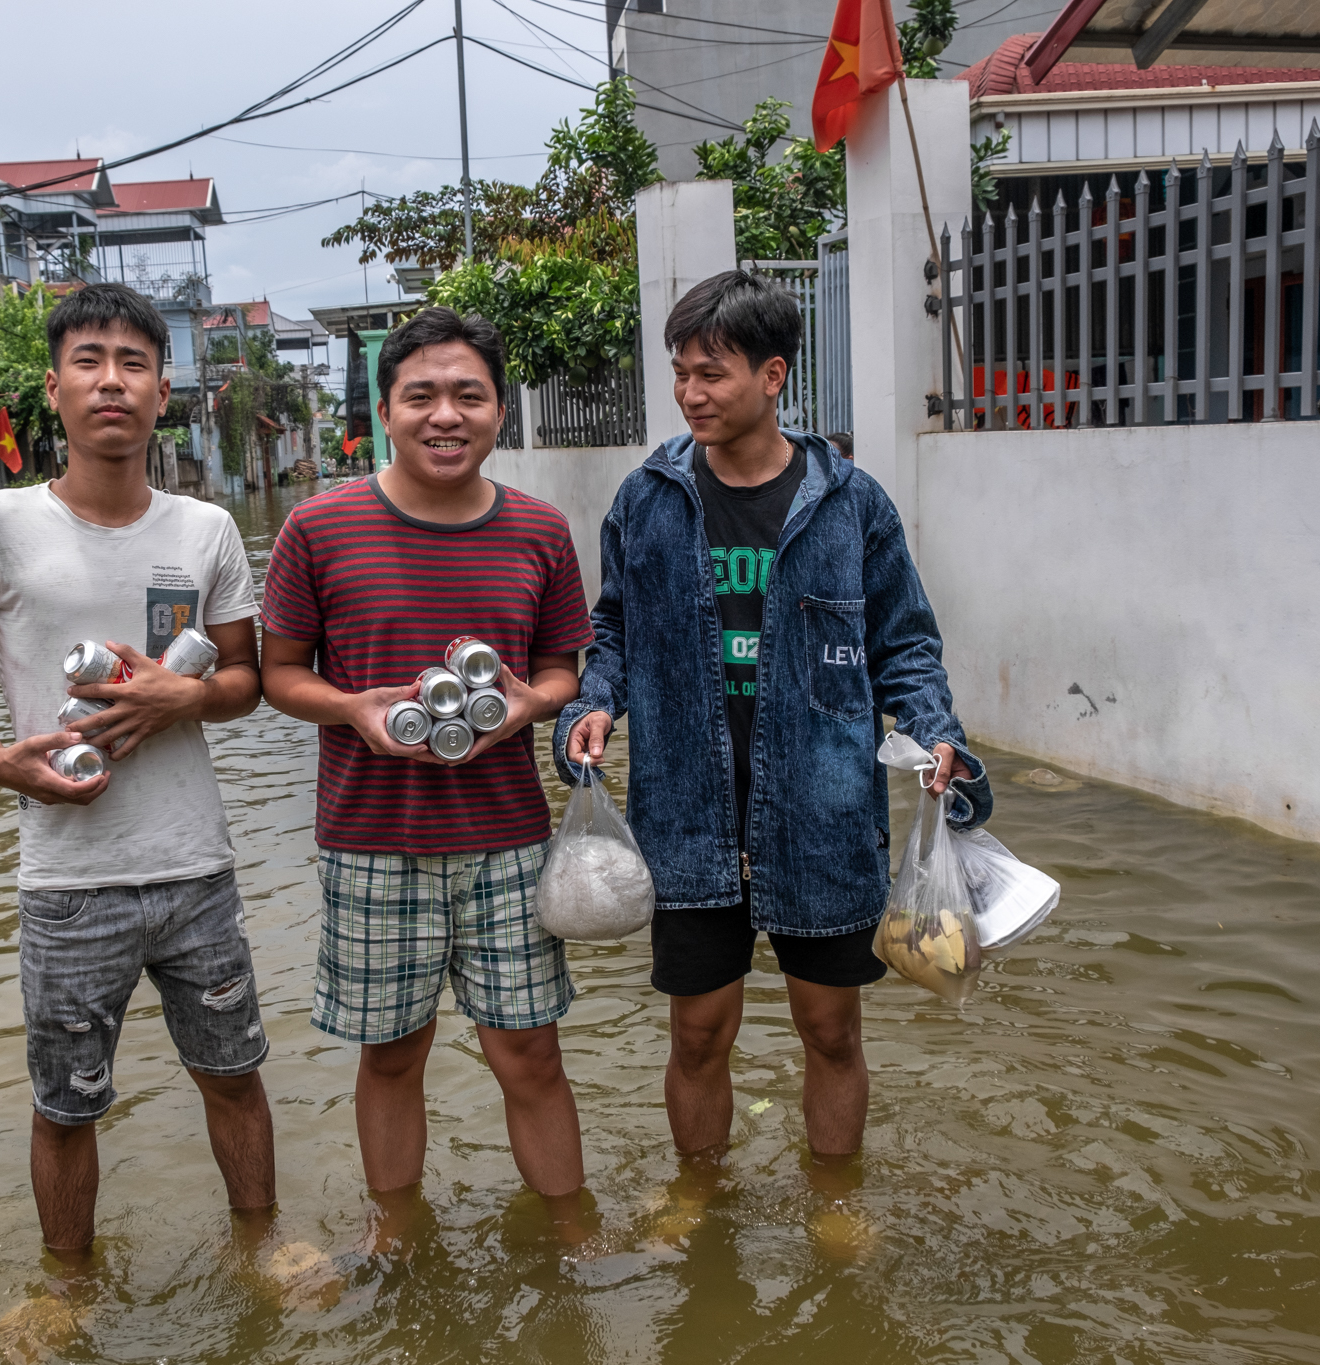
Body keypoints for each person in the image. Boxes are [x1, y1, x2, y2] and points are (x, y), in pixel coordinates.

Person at [558, 270, 992, 1177]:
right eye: (680, 372)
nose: (690, 393)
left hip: (823, 817)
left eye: (711, 372)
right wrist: (594, 702)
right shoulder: (648, 499)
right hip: (687, 817)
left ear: (772, 374)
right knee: (696, 1033)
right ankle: (701, 1194)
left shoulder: (851, 503)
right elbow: (615, 628)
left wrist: (935, 728)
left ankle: (835, 1199)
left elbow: (903, 643)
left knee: (830, 1029)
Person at [0, 283, 275, 1261]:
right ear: (55, 391)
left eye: (134, 363)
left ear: (161, 394)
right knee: (65, 1106)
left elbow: (244, 679)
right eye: (88, 361)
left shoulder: (206, 531)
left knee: (234, 1075)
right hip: (67, 878)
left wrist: (183, 696)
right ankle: (66, 1285)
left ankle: (264, 1249)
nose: (111, 380)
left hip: (195, 868)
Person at [259, 306, 593, 1240]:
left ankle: (571, 1229)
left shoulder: (540, 529)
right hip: (373, 839)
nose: (446, 414)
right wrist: (357, 709)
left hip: (510, 837)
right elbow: (280, 674)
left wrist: (528, 704)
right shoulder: (320, 528)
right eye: (422, 395)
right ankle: (399, 1232)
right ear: (384, 408)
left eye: (469, 394)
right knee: (393, 1055)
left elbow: (566, 666)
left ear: (500, 409)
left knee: (530, 1053)